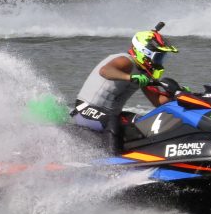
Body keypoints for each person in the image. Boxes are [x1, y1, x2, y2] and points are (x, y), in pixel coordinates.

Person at [70, 24, 179, 154]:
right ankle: (111, 160)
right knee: (111, 121)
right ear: (145, 52)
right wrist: (130, 77)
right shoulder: (125, 61)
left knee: (146, 123)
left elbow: (158, 101)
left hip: (111, 114)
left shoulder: (144, 73)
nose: (160, 61)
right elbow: (105, 71)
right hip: (85, 109)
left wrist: (179, 95)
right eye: (158, 57)